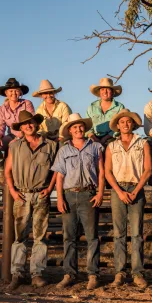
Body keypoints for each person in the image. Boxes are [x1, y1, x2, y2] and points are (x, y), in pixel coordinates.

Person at [51, 113, 105, 291]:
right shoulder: (64, 150)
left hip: (88, 193)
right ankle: (69, 273)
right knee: (69, 237)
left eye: (80, 126)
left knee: (92, 237)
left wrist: (100, 193)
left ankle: (92, 274)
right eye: (74, 127)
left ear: (85, 127)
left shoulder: (96, 147)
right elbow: (59, 176)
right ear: (70, 130)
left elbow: (102, 171)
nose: (78, 129)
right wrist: (59, 198)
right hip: (69, 195)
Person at [5, 110, 58, 291]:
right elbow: (7, 171)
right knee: (19, 236)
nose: (28, 126)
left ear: (36, 124)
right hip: (21, 194)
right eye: (24, 124)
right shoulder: (14, 146)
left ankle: (37, 273)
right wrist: (12, 191)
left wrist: (50, 188)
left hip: (41, 194)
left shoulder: (50, 145)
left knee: (40, 236)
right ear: (20, 128)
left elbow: (57, 170)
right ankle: (17, 273)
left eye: (31, 123)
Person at [105, 109, 152, 289]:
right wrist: (119, 191)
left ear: (133, 124)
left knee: (137, 233)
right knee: (119, 233)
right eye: (122, 122)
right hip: (118, 189)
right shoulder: (112, 146)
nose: (125, 124)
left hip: (136, 187)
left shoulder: (143, 144)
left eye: (128, 121)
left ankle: (137, 272)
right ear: (117, 125)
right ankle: (120, 272)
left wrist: (136, 190)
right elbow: (108, 171)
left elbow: (147, 170)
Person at [0, 78, 35, 175]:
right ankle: (2, 169)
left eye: (16, 90)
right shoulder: (2, 108)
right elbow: (0, 125)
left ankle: (15, 172)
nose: (14, 93)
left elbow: (31, 121)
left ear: (20, 92)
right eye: (11, 91)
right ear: (6, 93)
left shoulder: (27, 104)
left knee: (15, 146)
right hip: (11, 135)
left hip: (25, 135)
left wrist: (19, 138)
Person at [86, 77, 126, 146]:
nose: (105, 92)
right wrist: (94, 139)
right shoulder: (91, 107)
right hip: (93, 139)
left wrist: (105, 138)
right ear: (99, 92)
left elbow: (120, 126)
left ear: (112, 92)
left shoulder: (119, 107)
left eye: (108, 89)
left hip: (112, 138)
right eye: (102, 89)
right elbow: (88, 127)